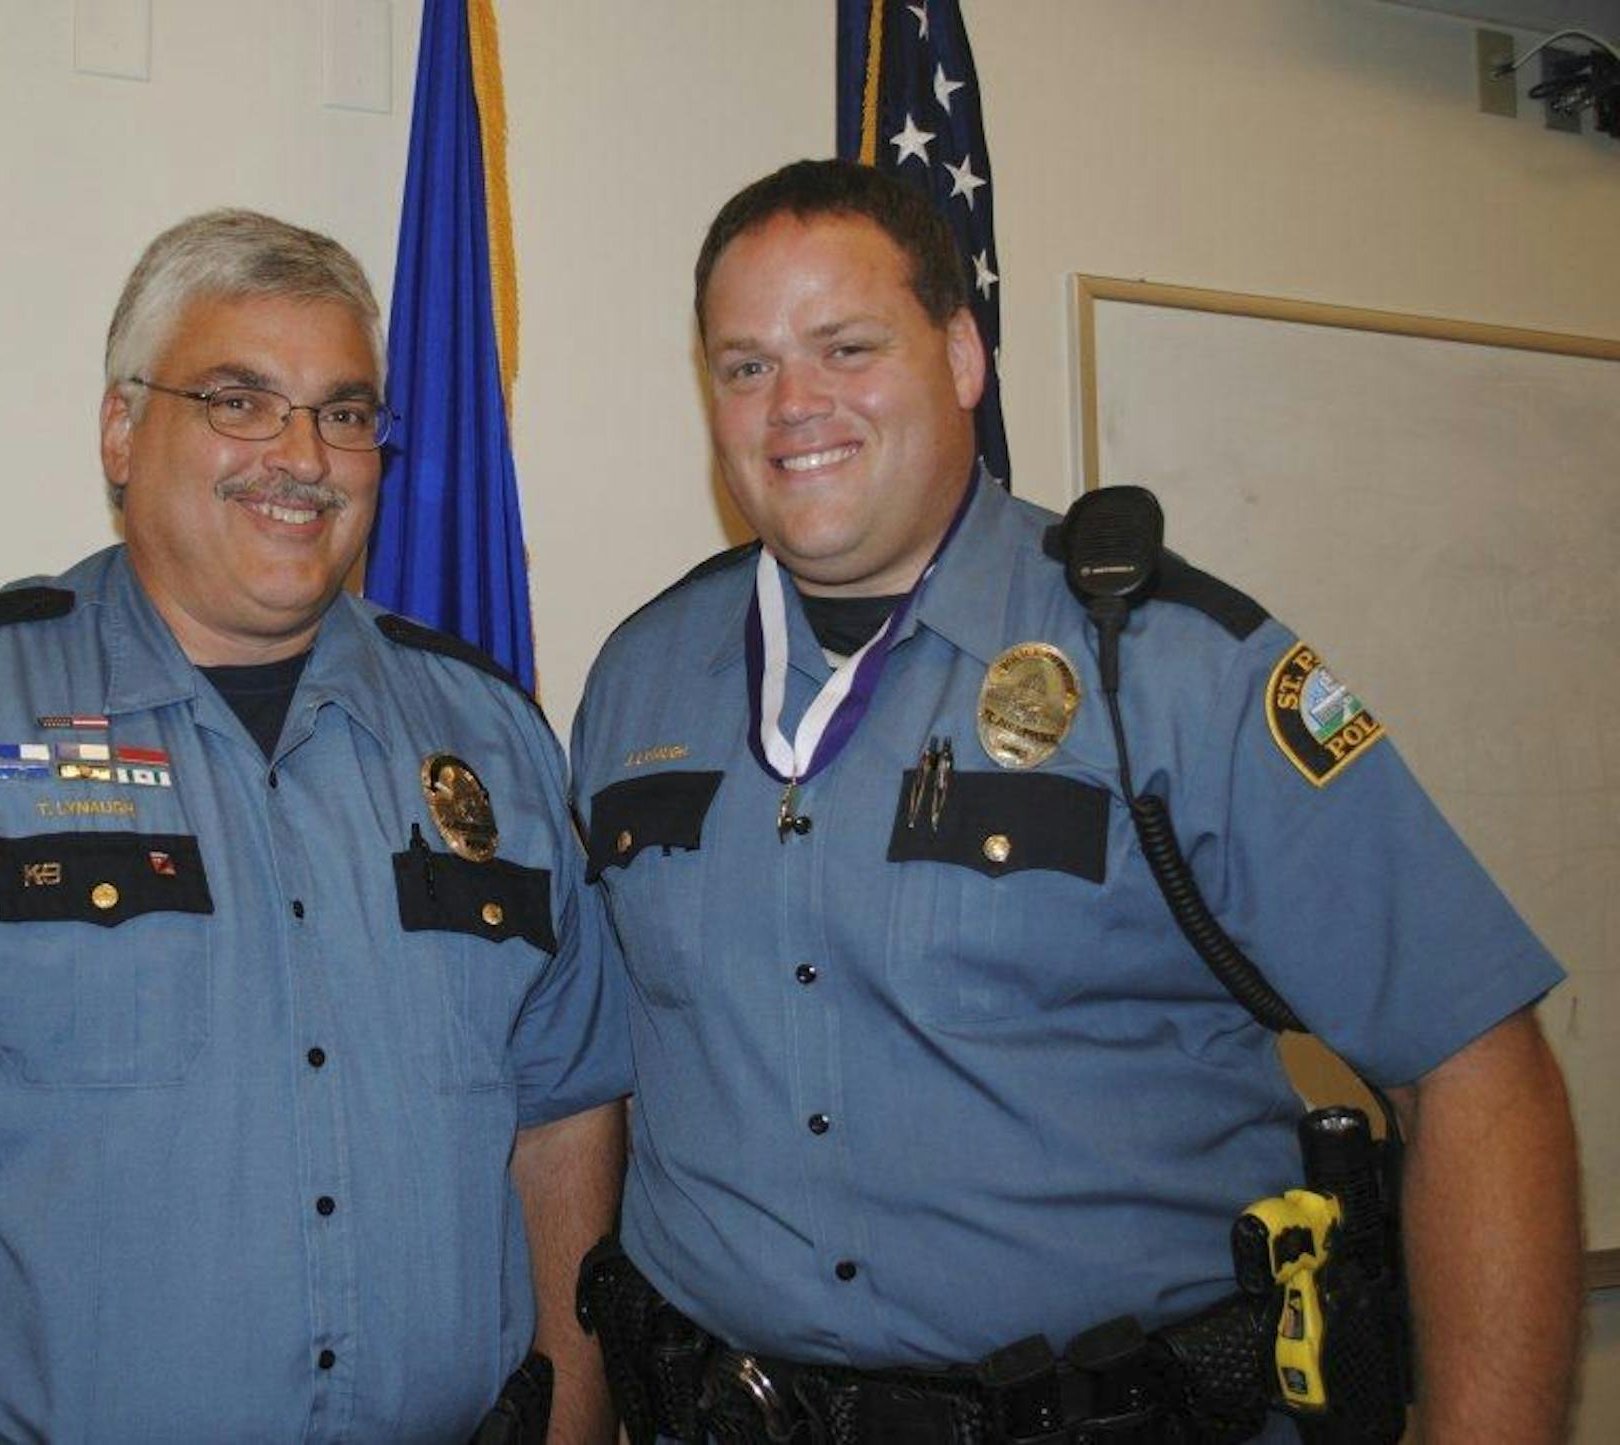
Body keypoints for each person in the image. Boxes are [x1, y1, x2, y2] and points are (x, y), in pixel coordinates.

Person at [570, 160, 1580, 1443]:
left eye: (846, 345)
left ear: (961, 354)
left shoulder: (1169, 662)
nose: (794, 404)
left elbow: (1477, 1066)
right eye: (746, 364)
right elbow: (588, 1077)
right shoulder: (639, 676)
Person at [0, 209, 628, 1445]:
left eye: (343, 410)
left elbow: (567, 1118)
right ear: (121, 430)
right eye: (238, 399)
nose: (302, 454)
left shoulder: (494, 743)